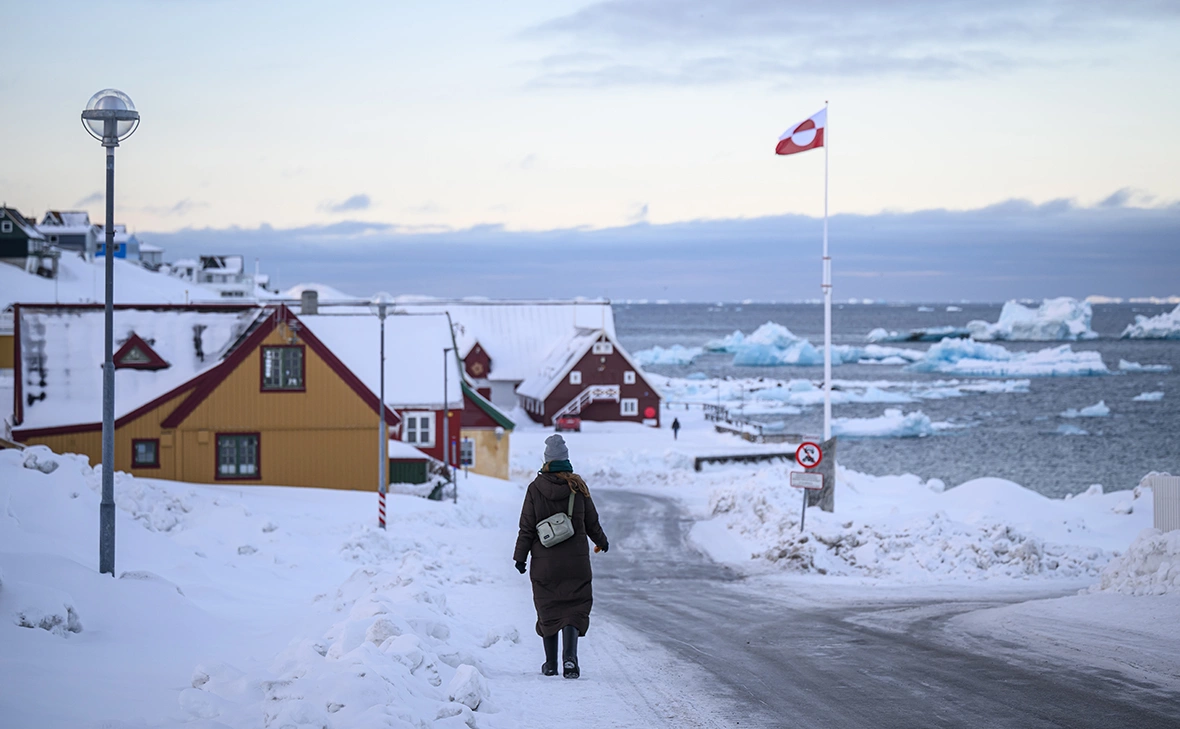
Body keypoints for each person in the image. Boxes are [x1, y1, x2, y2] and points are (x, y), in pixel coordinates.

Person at [513, 434, 609, 679]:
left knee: (548, 608)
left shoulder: (535, 488)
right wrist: (601, 541)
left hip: (545, 562)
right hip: (576, 561)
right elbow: (592, 522)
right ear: (566, 460)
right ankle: (570, 660)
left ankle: (550, 664)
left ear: (546, 461)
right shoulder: (578, 486)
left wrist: (520, 557)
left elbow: (526, 526)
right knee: (574, 607)